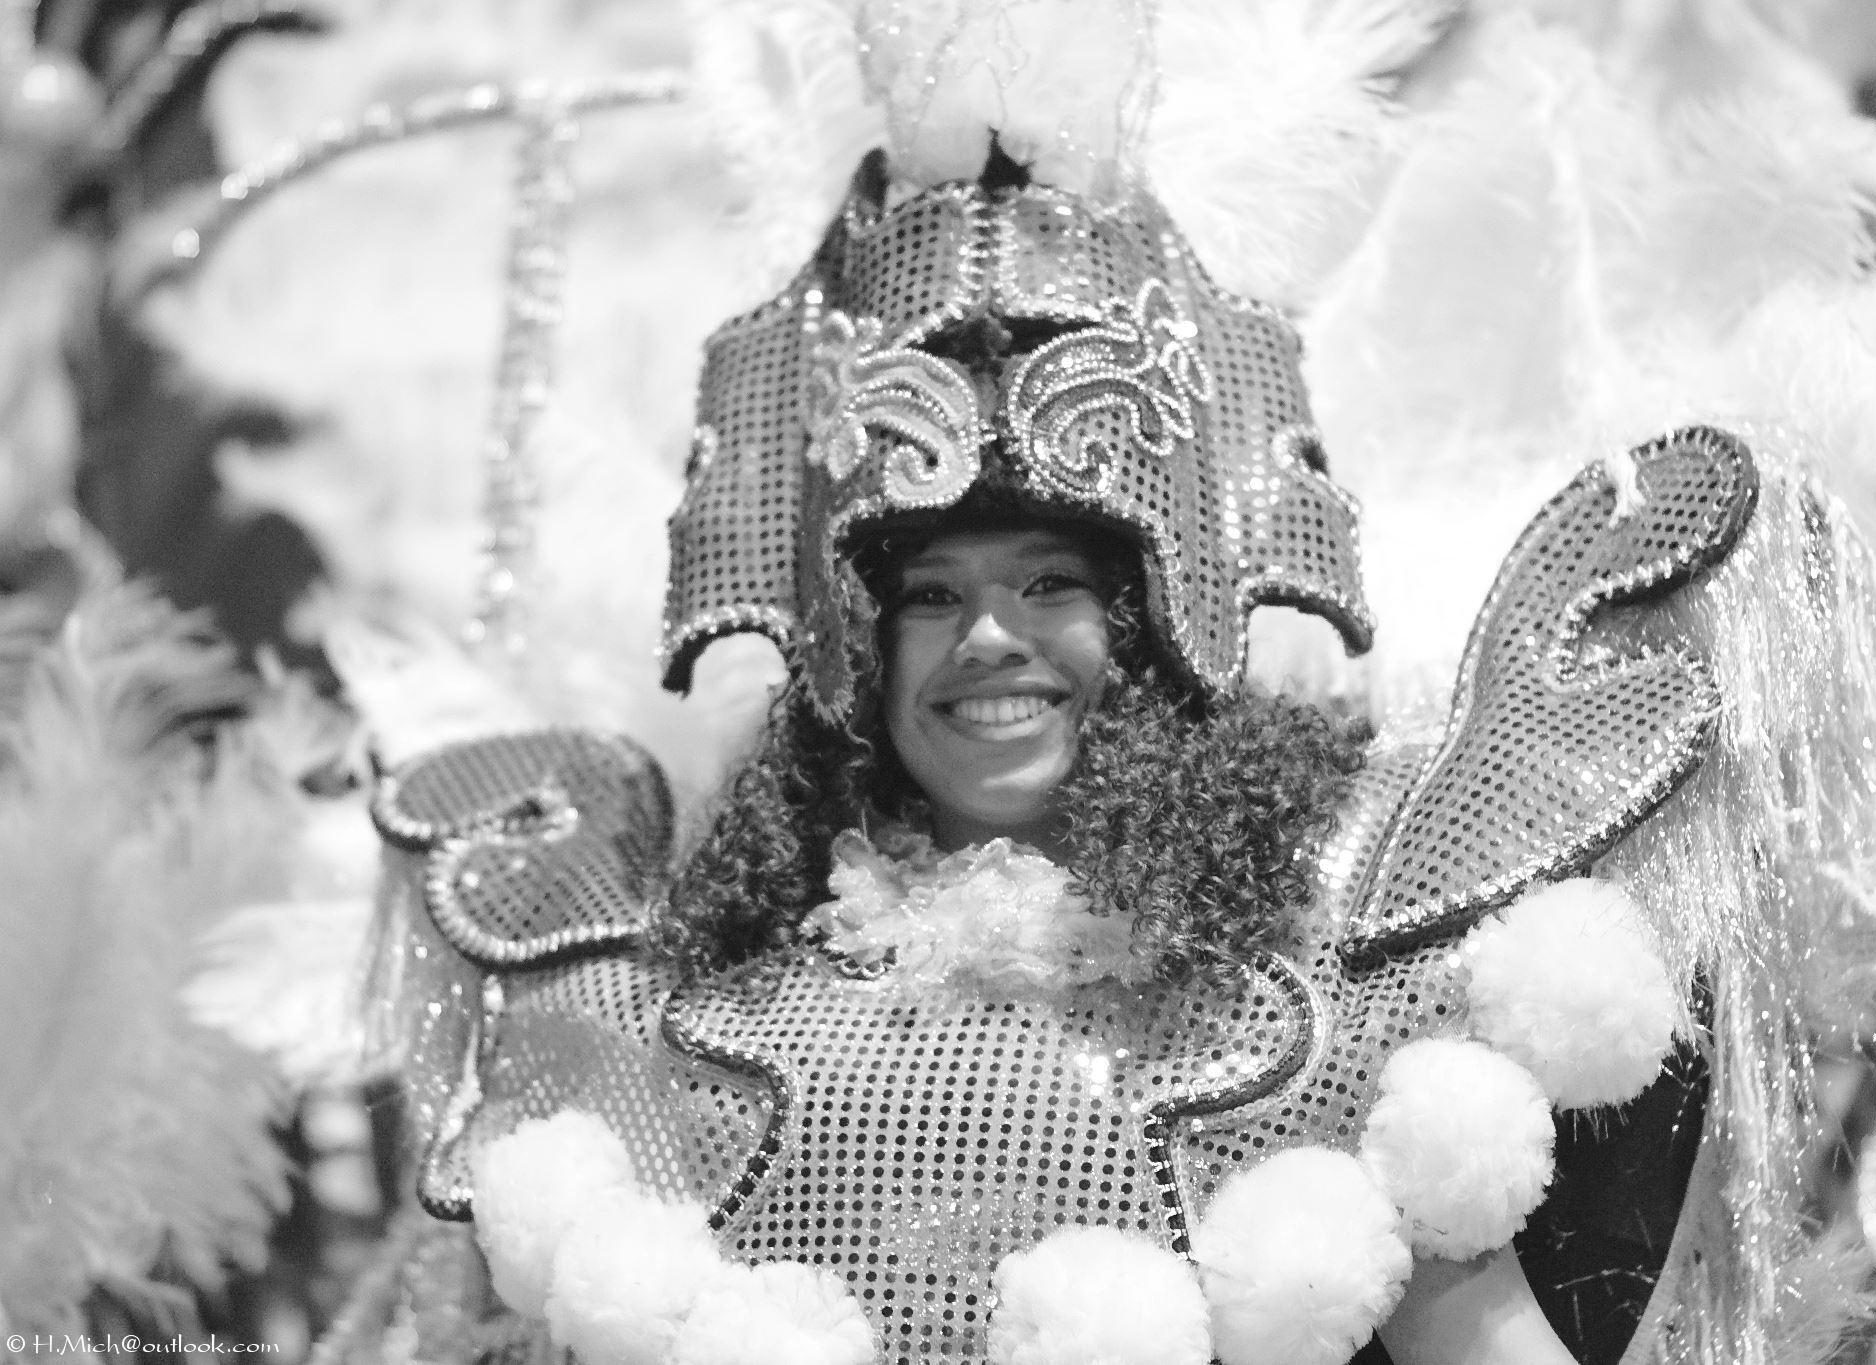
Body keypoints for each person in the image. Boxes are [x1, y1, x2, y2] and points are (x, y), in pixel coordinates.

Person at [330, 120, 1777, 1364]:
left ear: (1149, 628)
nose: (989, 641)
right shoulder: (694, 1023)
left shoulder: (1335, 980)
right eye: (930, 595)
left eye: (1050, 584)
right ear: (851, 644)